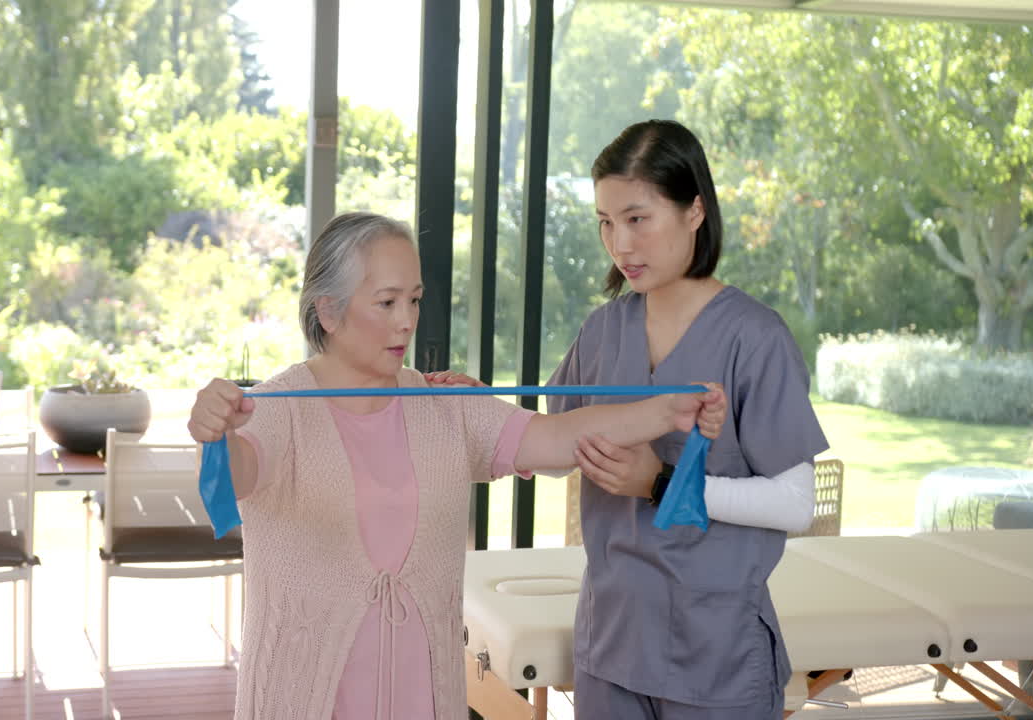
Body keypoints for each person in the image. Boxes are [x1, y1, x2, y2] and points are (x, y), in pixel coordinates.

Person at [188, 211, 726, 720]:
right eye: (387, 302)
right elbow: (237, 477)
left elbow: (558, 438)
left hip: (426, 696)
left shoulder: (442, 405)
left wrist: (667, 410)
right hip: (303, 698)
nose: (407, 322)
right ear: (328, 310)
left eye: (415, 300)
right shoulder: (279, 409)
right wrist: (216, 434)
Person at [550, 120, 829, 719]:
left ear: (695, 210)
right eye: (605, 222)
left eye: (637, 218)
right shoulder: (604, 330)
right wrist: (473, 406)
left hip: (715, 654)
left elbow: (795, 503)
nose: (620, 245)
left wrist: (659, 483)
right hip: (610, 646)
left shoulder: (754, 338)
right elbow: (553, 449)